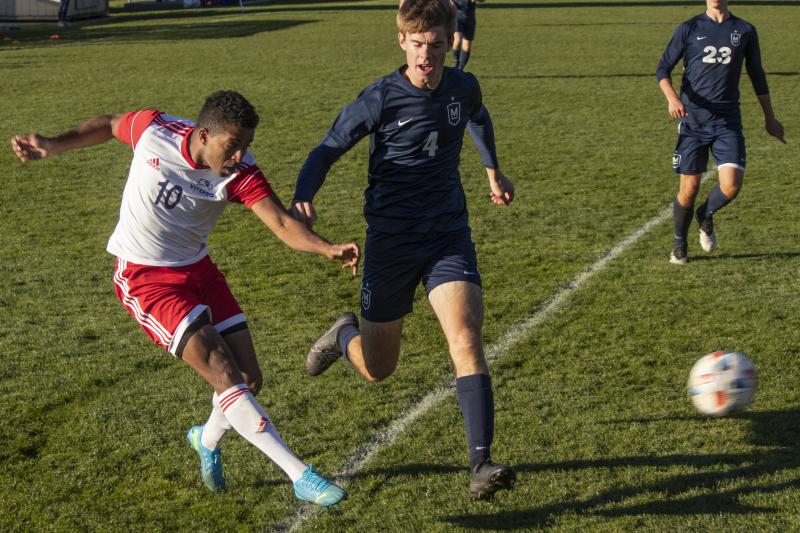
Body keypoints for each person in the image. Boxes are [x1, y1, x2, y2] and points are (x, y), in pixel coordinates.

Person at [10, 91, 359, 506]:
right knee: (221, 369)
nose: (240, 155)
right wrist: (53, 143)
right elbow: (108, 122)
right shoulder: (154, 129)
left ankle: (206, 441)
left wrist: (325, 248)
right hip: (145, 278)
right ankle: (300, 475)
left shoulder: (240, 173)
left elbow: (282, 222)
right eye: (232, 145)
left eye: (246, 145)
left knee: (248, 380)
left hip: (199, 270)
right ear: (204, 134)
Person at [291, 0, 516, 500]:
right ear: (402, 42)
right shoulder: (379, 99)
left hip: (446, 235)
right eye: (417, 45)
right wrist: (305, 195)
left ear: (449, 42)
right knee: (378, 369)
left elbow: (477, 117)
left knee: (465, 337)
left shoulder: (463, 86)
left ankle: (481, 463)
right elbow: (327, 148)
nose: (426, 57)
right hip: (390, 244)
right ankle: (344, 330)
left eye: (436, 46)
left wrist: (491, 169)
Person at [656, 0, 785, 265]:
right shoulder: (689, 27)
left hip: (728, 121)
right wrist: (672, 98)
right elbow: (663, 69)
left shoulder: (745, 30)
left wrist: (769, 117)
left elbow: (757, 74)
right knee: (689, 187)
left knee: (732, 185)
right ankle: (679, 244)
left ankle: (705, 214)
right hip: (693, 121)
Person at [451, 0, 483, 70]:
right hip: (457, 15)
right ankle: (456, 61)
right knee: (457, 39)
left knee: (467, 46)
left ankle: (460, 68)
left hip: (470, 16)